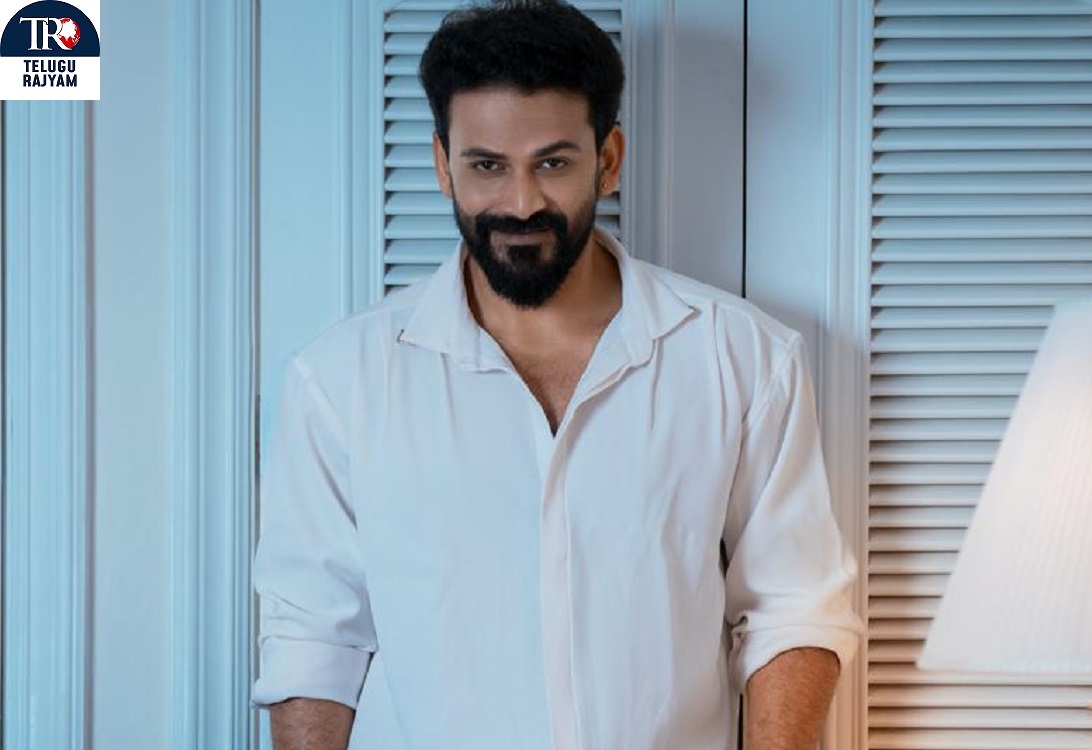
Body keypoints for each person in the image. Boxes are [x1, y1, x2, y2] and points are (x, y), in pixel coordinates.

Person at [252, 1, 862, 748]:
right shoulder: (337, 381)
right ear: (443, 164)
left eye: (552, 163)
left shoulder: (744, 357)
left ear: (608, 159)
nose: (521, 203)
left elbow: (793, 609)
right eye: (487, 165)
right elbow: (314, 640)